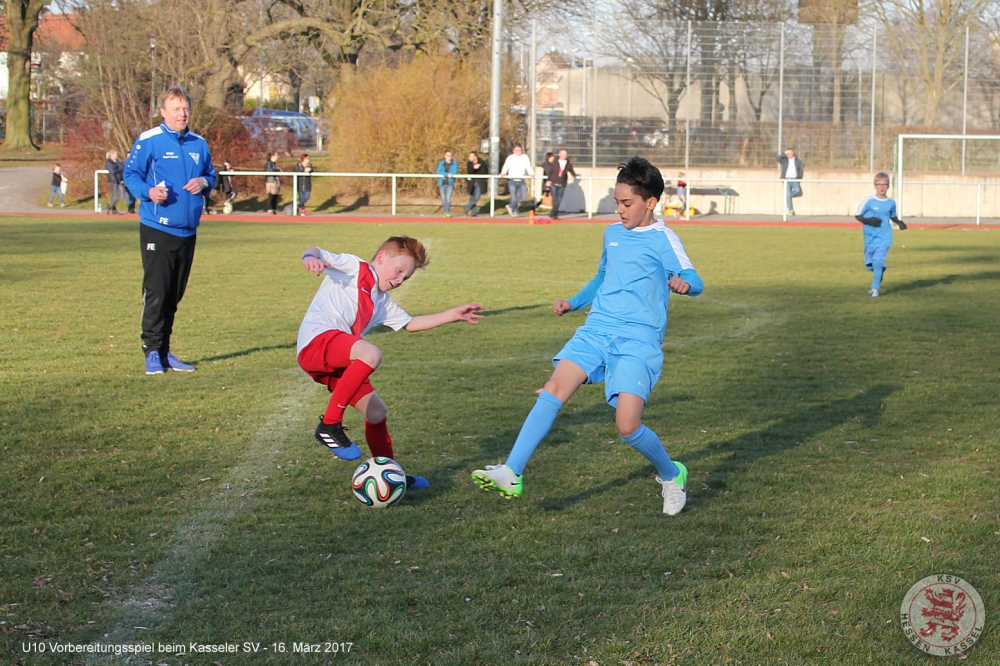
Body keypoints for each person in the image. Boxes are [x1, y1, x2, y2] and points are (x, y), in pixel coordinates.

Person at [472, 157, 704, 516]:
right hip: (597, 329)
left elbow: (695, 279)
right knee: (553, 388)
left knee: (627, 426)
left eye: (627, 203)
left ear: (650, 203)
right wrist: (573, 302)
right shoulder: (612, 234)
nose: (620, 209)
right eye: (617, 202)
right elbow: (601, 279)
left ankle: (672, 475)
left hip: (637, 340)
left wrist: (685, 284)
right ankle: (511, 471)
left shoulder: (663, 240)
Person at [297, 236, 484, 489]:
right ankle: (329, 425)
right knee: (370, 353)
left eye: (405, 278)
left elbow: (410, 323)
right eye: (399, 271)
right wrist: (311, 257)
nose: (399, 280)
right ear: (382, 258)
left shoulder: (381, 301)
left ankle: (391, 476)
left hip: (337, 359)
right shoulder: (355, 267)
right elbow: (316, 250)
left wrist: (452, 314)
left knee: (377, 412)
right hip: (317, 341)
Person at [124, 86, 216, 375]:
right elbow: (131, 174)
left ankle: (164, 351)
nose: (182, 113)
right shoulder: (149, 140)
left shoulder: (199, 143)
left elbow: (211, 175)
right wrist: (148, 192)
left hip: (188, 230)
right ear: (163, 112)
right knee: (157, 290)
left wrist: (204, 182)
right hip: (157, 228)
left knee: (174, 293)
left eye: (185, 108)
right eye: (176, 108)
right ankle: (151, 350)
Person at [855, 172, 907, 298]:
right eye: (879, 184)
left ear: (888, 186)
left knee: (877, 262)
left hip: (884, 237)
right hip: (870, 238)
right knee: (869, 265)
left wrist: (899, 222)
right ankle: (880, 270)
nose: (882, 187)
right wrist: (869, 221)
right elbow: (858, 215)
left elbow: (892, 215)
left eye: (885, 184)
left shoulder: (891, 202)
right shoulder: (868, 201)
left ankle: (875, 289)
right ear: (875, 185)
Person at [500, 142, 533, 217]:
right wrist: (503, 172)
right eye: (517, 150)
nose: (518, 152)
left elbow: (528, 166)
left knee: (523, 195)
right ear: (513, 151)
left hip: (521, 180)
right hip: (512, 180)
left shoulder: (525, 157)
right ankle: (516, 211)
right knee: (514, 197)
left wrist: (531, 173)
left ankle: (510, 206)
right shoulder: (510, 157)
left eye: (520, 150)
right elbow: (506, 166)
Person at [548, 149, 576, 220]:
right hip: (553, 183)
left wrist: (573, 175)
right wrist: (548, 180)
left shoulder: (568, 163)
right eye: (562, 154)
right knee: (555, 199)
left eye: (565, 154)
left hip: (562, 183)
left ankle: (554, 213)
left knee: (559, 199)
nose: (564, 155)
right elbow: (549, 171)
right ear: (559, 154)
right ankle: (554, 213)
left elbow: (572, 171)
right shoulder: (554, 162)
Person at [777, 148, 803, 216]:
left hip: (794, 179)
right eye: (788, 153)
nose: (789, 154)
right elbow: (778, 158)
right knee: (787, 194)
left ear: (793, 152)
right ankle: (791, 210)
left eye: (790, 153)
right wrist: (784, 153)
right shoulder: (784, 160)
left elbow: (800, 170)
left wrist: (799, 178)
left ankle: (789, 196)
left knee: (797, 191)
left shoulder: (797, 160)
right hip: (786, 180)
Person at [463, 151, 487, 217]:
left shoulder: (482, 162)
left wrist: (479, 168)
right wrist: (474, 168)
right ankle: (474, 212)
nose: (469, 158)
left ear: (475, 157)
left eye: (471, 156)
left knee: (476, 197)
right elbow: (469, 171)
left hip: (479, 182)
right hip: (472, 182)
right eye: (469, 156)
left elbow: (485, 172)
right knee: (472, 197)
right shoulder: (469, 163)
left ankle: (467, 207)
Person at [435, 150, 458, 217]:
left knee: (448, 198)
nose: (449, 157)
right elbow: (438, 171)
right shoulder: (441, 163)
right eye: (448, 155)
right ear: (445, 156)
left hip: (450, 183)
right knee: (443, 198)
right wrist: (445, 175)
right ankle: (445, 212)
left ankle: (447, 212)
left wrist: (449, 175)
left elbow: (454, 171)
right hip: (442, 183)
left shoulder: (454, 163)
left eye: (450, 155)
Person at [105, 150, 125, 215]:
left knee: (121, 194)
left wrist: (117, 163)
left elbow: (122, 167)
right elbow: (113, 171)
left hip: (118, 180)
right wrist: (119, 169)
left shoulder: (117, 161)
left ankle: (110, 206)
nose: (116, 155)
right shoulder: (108, 162)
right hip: (112, 180)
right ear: (111, 155)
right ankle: (113, 210)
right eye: (115, 154)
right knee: (114, 195)